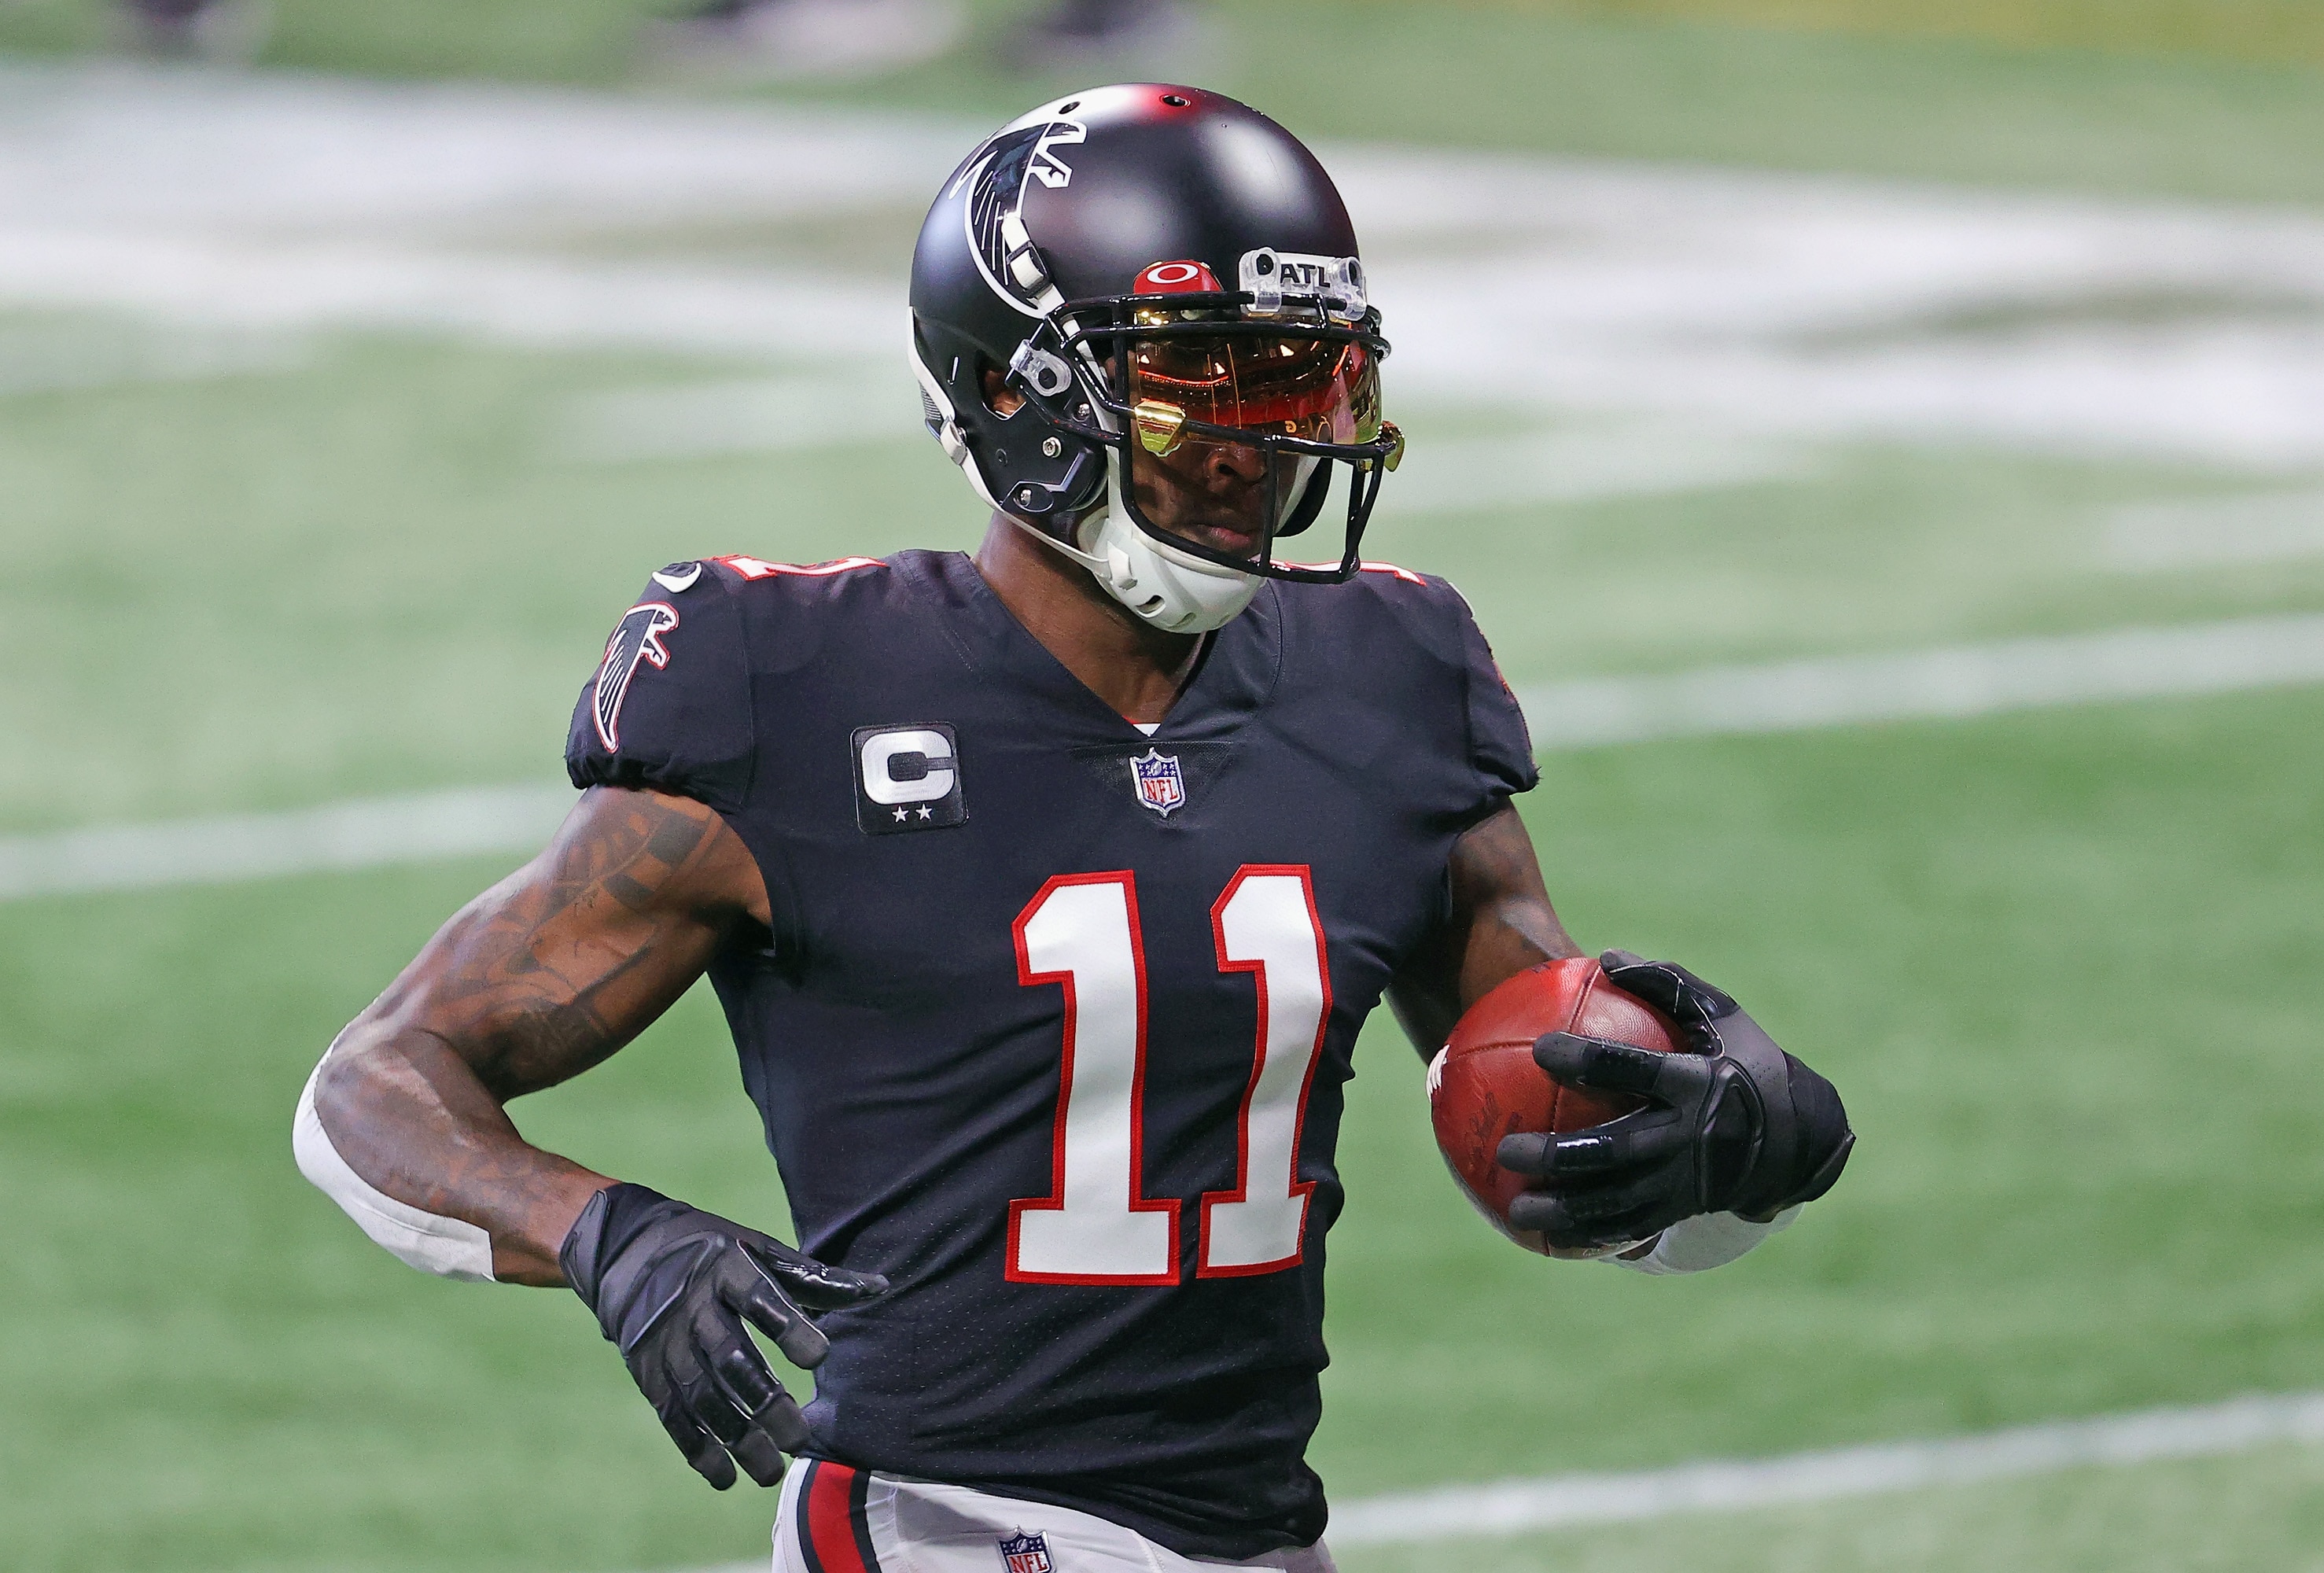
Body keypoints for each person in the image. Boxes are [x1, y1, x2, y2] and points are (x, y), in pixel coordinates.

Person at [294, 84, 1853, 1573]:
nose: (1261, 450)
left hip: (1253, 1523)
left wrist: (1738, 1146)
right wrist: (602, 1234)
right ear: (1013, 385)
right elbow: (375, 1080)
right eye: (1205, 391)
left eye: (1296, 384)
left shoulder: (1388, 682)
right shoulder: (798, 692)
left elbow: (1555, 1125)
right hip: (936, 1527)